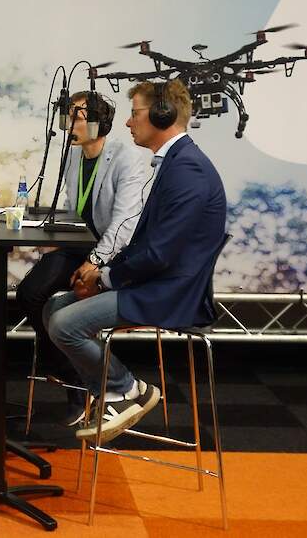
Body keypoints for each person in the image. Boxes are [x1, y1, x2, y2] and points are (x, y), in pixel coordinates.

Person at [44, 78, 227, 443]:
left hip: (169, 292)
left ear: (163, 115)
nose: (128, 123)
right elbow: (151, 244)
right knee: (52, 307)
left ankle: (126, 389)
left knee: (64, 324)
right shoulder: (174, 162)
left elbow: (159, 254)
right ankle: (108, 391)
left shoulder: (187, 170)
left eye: (135, 113)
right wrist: (103, 273)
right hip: (151, 281)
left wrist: (105, 278)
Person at [16, 91, 149, 425]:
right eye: (68, 114)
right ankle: (73, 377)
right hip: (81, 245)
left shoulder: (128, 158)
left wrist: (97, 261)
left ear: (100, 122)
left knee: (63, 308)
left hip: (115, 253)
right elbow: (72, 207)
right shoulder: (74, 155)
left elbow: (123, 224)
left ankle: (88, 381)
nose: (69, 122)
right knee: (30, 292)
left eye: (77, 115)